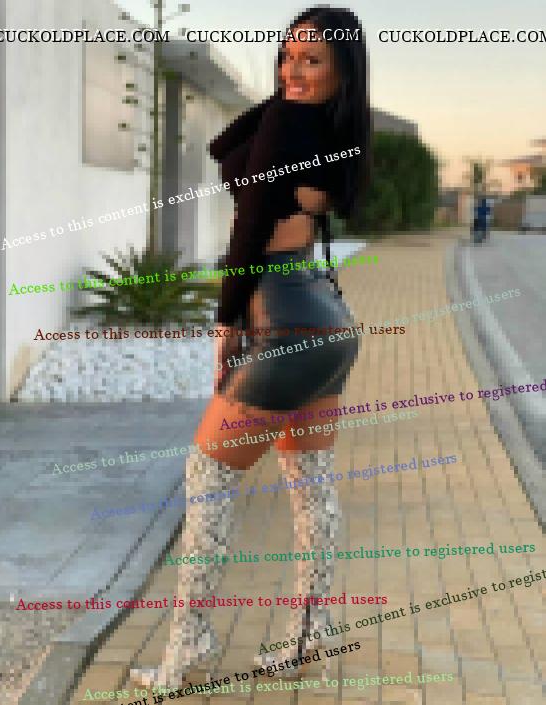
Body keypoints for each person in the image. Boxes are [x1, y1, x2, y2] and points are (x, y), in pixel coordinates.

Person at [132, 5, 371, 688]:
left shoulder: (290, 125)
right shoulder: (337, 132)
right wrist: (289, 93)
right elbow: (225, 148)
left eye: (312, 60)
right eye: (287, 56)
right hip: (327, 324)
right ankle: (309, 632)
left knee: (208, 474)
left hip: (283, 321)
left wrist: (225, 320)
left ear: (344, 71)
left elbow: (249, 226)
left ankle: (189, 646)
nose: (293, 70)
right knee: (311, 484)